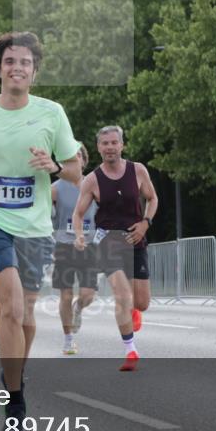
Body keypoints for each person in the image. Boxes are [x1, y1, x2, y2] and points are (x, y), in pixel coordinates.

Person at [0, 31, 81, 431]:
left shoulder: (51, 113)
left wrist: (54, 167)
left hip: (35, 227)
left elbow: (76, 171)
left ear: (34, 71)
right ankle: (14, 401)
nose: (17, 68)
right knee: (8, 306)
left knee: (25, 314)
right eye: (10, 61)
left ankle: (15, 376)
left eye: (25, 62)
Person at [73, 125, 158, 371]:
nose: (109, 147)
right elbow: (78, 215)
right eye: (105, 143)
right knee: (122, 296)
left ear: (122, 145)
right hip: (107, 241)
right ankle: (130, 350)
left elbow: (152, 199)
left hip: (136, 238)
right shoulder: (92, 180)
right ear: (98, 148)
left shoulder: (138, 170)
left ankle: (134, 312)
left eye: (114, 142)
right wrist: (79, 236)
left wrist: (145, 223)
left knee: (141, 303)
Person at [51, 144, 98, 355]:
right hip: (64, 245)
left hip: (89, 245)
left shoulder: (95, 184)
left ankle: (79, 309)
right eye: (70, 156)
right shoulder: (55, 187)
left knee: (87, 295)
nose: (75, 159)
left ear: (84, 160)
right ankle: (68, 338)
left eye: (78, 155)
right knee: (65, 295)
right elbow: (44, 214)